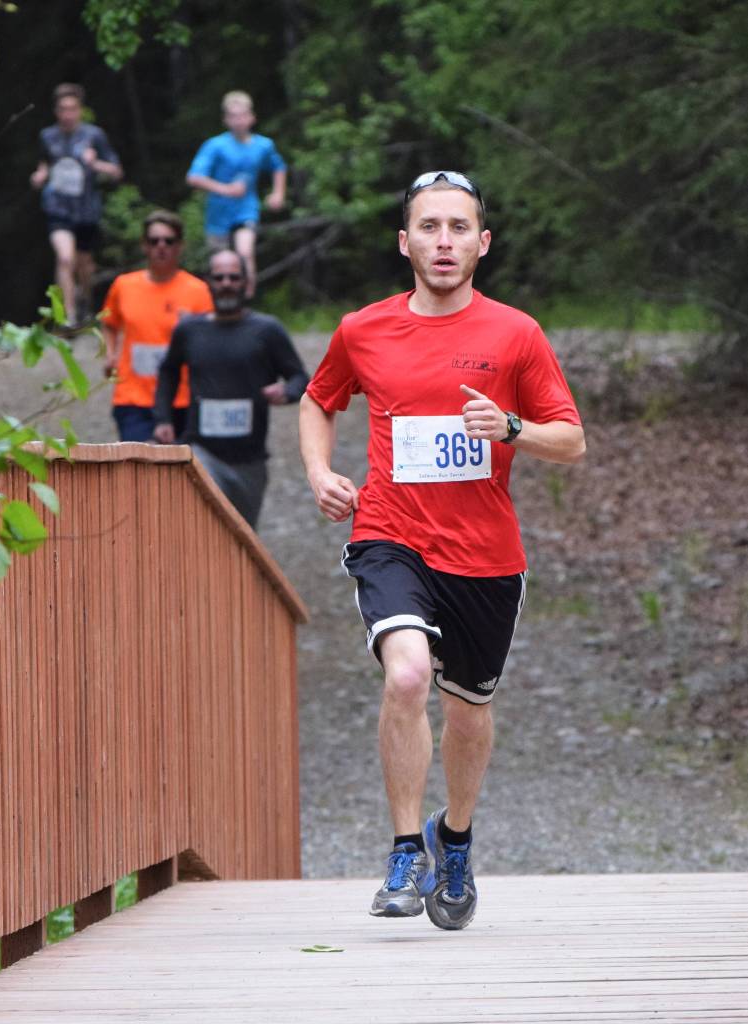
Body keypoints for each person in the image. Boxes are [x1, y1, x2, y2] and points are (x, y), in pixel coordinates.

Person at [299, 171, 586, 930]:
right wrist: (320, 472)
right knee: (407, 676)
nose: (444, 242)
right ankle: (403, 850)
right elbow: (317, 399)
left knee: (468, 715)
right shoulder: (362, 329)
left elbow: (572, 438)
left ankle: (451, 837)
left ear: (482, 244)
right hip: (390, 536)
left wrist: (513, 430)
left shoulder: (515, 333)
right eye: (429, 227)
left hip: (486, 558)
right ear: (405, 242)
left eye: (459, 228)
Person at [152, 249, 308, 529]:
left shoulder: (266, 330)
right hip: (201, 450)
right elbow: (168, 371)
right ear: (208, 282)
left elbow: (300, 377)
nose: (226, 283)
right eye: (219, 277)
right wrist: (163, 417)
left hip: (249, 459)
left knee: (242, 536)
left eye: (233, 277)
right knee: (203, 527)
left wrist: (286, 391)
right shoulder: (189, 330)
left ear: (245, 284)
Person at [101, 210, 213, 442]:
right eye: (154, 241)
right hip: (133, 398)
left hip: (182, 398)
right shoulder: (123, 286)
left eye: (168, 241)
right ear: (144, 245)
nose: (161, 246)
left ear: (179, 246)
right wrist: (109, 354)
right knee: (135, 470)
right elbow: (109, 323)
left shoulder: (198, 291)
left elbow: (213, 339)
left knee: (180, 473)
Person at [30, 83, 123, 324]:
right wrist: (39, 177)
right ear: (56, 111)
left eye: (72, 108)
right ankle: (67, 314)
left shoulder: (94, 136)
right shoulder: (47, 136)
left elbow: (116, 171)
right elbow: (44, 166)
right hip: (57, 207)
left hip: (86, 209)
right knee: (64, 258)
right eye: (63, 109)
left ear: (80, 110)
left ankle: (86, 303)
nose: (67, 114)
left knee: (85, 266)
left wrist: (97, 164)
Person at [186, 91, 287, 300]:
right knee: (219, 261)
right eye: (233, 116)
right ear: (225, 120)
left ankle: (246, 299)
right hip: (218, 212)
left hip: (246, 209)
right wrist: (225, 189)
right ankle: (215, 302)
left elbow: (279, 167)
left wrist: (278, 193)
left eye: (242, 115)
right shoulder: (215, 146)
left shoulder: (263, 145)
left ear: (252, 117)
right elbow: (194, 177)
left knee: (245, 252)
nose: (238, 121)